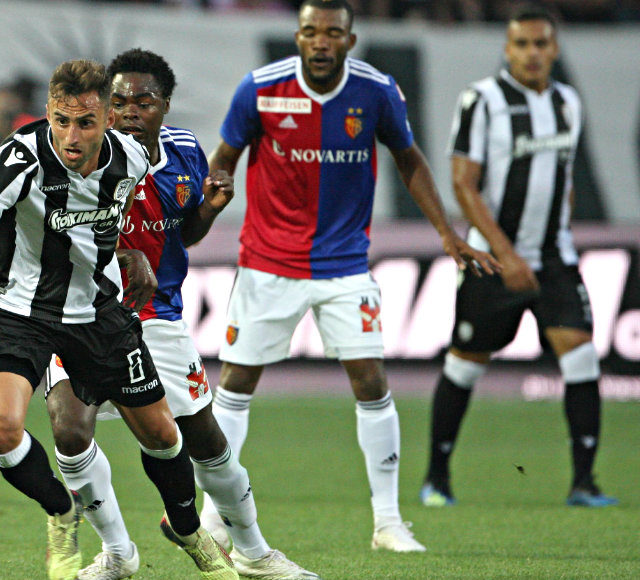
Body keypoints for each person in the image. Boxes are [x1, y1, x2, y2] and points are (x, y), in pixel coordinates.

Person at [199, 0, 500, 553]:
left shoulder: (376, 91)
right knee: (236, 384)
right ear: (298, 36)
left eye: (332, 33)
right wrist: (208, 204)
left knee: (371, 381)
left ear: (350, 40)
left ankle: (388, 523)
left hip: (344, 264)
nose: (321, 41)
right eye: (311, 31)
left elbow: (410, 158)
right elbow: (225, 155)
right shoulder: (260, 89)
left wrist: (446, 231)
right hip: (268, 261)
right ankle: (213, 517)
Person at [0, 59, 237, 580]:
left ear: (108, 120)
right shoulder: (18, 161)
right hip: (17, 311)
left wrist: (131, 256)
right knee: (0, 428)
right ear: (49, 113)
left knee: (163, 435)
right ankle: (61, 511)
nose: (71, 136)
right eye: (61, 120)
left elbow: (115, 226)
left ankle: (189, 531)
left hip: (96, 312)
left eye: (85, 123)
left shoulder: (132, 157)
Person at [44, 49, 319, 580]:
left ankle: (254, 552)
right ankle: (118, 553)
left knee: (206, 444)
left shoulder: (186, 153)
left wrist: (208, 209)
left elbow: (183, 232)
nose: (129, 110)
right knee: (70, 431)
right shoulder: (78, 159)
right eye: (117, 101)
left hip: (157, 318)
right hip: (82, 313)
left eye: (143, 101)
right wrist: (118, 255)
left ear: (165, 105)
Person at [420, 6, 618, 509]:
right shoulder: (482, 101)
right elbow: (464, 185)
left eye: (541, 44)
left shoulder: (568, 101)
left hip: (553, 257)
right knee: (466, 365)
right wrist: (506, 255)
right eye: (522, 44)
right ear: (508, 49)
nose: (532, 53)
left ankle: (584, 483)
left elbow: (564, 177)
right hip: (492, 260)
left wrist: (556, 231)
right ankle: (437, 479)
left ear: (554, 49)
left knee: (581, 355)